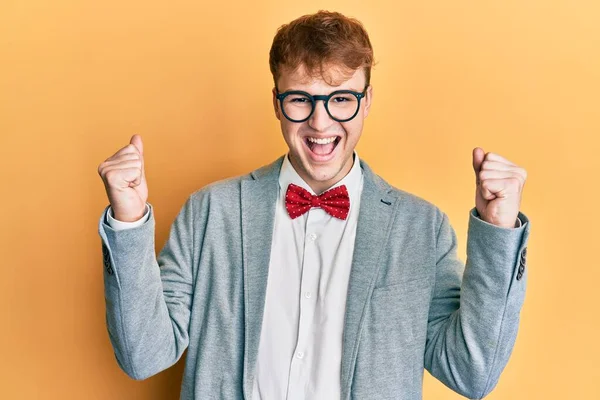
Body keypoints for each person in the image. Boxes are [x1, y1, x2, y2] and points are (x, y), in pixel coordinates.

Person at [97, 10, 530, 400]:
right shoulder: (211, 213)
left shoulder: (421, 227)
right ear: (277, 104)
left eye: (341, 98)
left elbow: (472, 373)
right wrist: (129, 221)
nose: (320, 123)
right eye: (301, 99)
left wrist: (498, 231)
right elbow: (144, 355)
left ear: (367, 101)